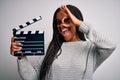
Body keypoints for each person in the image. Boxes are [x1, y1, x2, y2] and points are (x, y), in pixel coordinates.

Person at [10, 4, 116, 80]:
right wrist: (22, 57)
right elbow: (33, 78)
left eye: (67, 20)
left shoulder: (90, 49)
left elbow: (111, 45)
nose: (61, 25)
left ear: (76, 20)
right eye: (58, 22)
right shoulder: (49, 48)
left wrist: (80, 23)